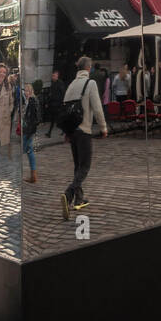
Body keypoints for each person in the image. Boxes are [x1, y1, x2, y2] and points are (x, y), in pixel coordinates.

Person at [59, 55, 107, 216]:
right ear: (88, 68)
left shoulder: (71, 84)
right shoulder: (90, 83)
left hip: (72, 131)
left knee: (77, 166)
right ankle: (68, 194)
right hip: (84, 130)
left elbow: (65, 109)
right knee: (84, 166)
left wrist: (67, 132)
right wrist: (103, 127)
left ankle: (79, 199)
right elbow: (97, 107)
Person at [22, 86, 40, 184]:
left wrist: (30, 131)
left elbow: (34, 118)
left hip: (29, 130)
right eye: (25, 91)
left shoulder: (32, 101)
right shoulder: (30, 100)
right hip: (28, 129)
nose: (26, 93)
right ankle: (33, 176)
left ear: (31, 91)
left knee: (23, 150)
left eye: (28, 91)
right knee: (29, 152)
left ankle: (32, 175)